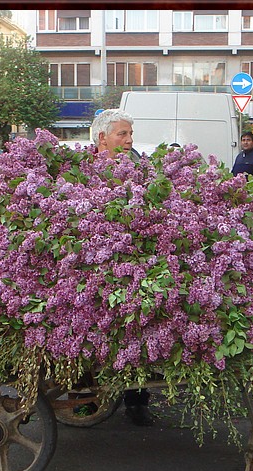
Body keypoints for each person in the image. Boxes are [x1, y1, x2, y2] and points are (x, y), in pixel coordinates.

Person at [89, 109, 153, 427]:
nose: (129, 140)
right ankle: (86, 396)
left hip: (132, 262)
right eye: (122, 134)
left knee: (137, 331)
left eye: (130, 134)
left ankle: (136, 400)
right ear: (102, 138)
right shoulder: (85, 170)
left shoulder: (136, 169)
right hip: (97, 267)